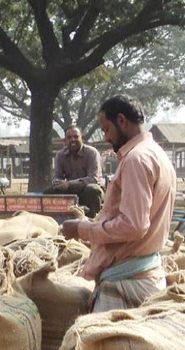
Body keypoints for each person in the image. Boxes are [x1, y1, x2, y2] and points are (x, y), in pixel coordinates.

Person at [61, 95, 175, 312]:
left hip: (127, 281)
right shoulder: (156, 154)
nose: (106, 137)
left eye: (106, 130)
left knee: (95, 344)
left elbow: (133, 225)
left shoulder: (135, 159)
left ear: (121, 121)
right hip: (145, 270)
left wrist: (82, 229)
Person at [43, 126, 105, 216]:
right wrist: (57, 183)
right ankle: (54, 219)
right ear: (65, 141)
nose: (73, 140)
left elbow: (93, 178)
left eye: (76, 137)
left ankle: (93, 218)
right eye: (69, 137)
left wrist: (68, 184)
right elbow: (57, 176)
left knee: (92, 189)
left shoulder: (92, 153)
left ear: (82, 138)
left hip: (89, 189)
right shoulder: (60, 155)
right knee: (48, 192)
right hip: (71, 190)